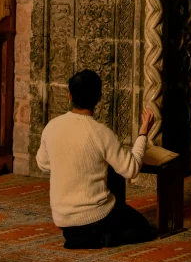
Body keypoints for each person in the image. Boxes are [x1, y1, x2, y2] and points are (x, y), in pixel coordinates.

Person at [36, 68, 157, 249]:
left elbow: (43, 164)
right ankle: (102, 239)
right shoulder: (101, 133)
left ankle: (82, 237)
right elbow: (130, 169)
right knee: (146, 230)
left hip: (62, 217)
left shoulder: (51, 126)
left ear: (69, 96)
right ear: (99, 97)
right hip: (96, 216)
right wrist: (143, 133)